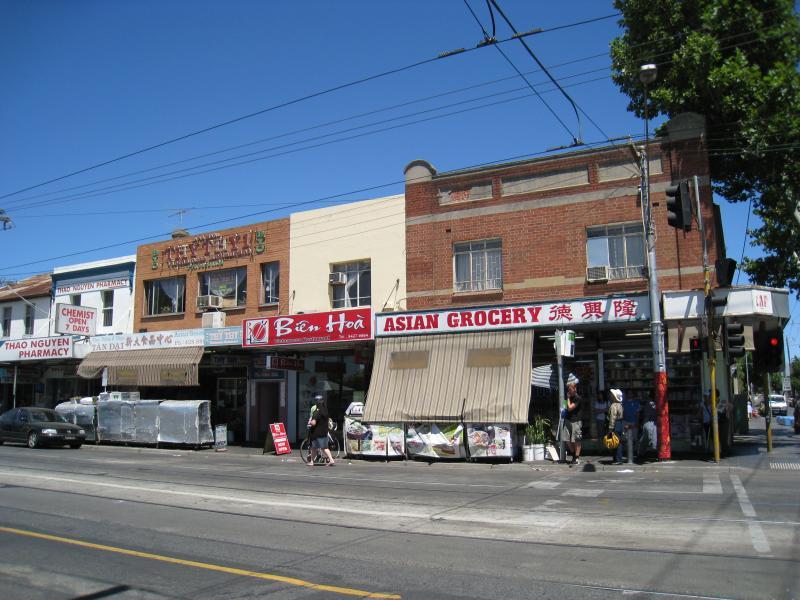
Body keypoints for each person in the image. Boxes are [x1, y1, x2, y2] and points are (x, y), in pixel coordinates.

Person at [560, 373, 582, 465]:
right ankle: (573, 454)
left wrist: (568, 398)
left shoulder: (577, 398)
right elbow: (565, 408)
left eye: (571, 389)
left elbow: (570, 407)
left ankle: (576, 457)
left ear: (574, 389)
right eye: (568, 389)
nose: (569, 391)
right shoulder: (568, 398)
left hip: (576, 421)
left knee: (576, 440)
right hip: (568, 420)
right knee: (567, 439)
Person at [308, 395, 335, 466]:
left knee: (314, 447)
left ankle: (312, 462)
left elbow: (313, 423)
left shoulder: (317, 411)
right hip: (324, 431)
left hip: (317, 433)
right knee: (324, 447)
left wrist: (310, 422)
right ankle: (331, 460)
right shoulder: (325, 410)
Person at [621, 392, 641, 462]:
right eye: (628, 393)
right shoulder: (623, 402)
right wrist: (622, 421)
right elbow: (622, 412)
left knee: (634, 438)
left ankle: (635, 452)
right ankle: (626, 453)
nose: (630, 394)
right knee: (625, 438)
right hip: (625, 421)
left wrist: (637, 423)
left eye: (631, 393)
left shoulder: (636, 402)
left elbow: (638, 413)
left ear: (633, 394)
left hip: (633, 422)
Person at [607, 388, 625, 465]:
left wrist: (610, 428)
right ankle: (618, 458)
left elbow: (612, 418)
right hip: (620, 424)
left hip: (615, 425)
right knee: (618, 442)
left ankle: (617, 459)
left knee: (614, 442)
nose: (610, 396)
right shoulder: (620, 405)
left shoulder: (613, 405)